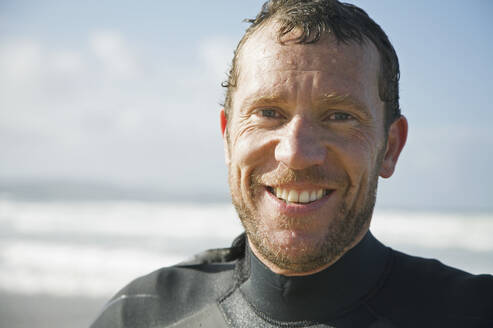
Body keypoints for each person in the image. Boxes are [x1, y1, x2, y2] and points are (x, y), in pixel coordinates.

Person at [91, 1, 493, 327]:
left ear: (390, 147)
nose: (296, 153)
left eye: (339, 116)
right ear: (229, 137)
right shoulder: (140, 314)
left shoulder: (475, 313)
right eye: (268, 112)